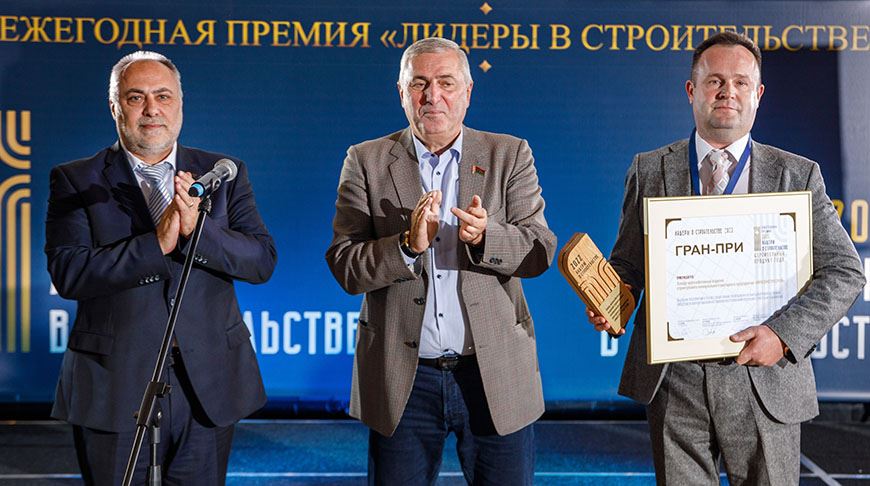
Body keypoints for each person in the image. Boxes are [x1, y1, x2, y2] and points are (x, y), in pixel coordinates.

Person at [587, 32, 865, 485]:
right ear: (691, 90)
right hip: (674, 380)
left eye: (740, 82)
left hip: (764, 375)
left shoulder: (797, 174)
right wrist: (614, 298)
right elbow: (630, 265)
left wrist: (783, 335)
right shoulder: (649, 169)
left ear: (758, 94)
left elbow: (845, 270)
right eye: (714, 80)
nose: (727, 92)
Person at [326, 37, 555, 485]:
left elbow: (539, 250)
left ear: (468, 92)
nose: (433, 95)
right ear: (402, 93)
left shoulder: (509, 154)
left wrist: (487, 237)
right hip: (403, 381)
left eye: (446, 83)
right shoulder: (365, 160)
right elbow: (345, 265)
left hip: (493, 375)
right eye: (419, 84)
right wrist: (406, 246)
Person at [45, 51, 277, 484]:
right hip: (114, 387)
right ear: (115, 108)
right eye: (136, 97)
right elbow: (70, 272)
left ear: (180, 105)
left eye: (163, 96)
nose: (152, 109)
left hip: (207, 387)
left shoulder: (222, 173)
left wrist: (197, 233)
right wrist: (157, 244)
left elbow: (260, 261)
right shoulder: (76, 179)